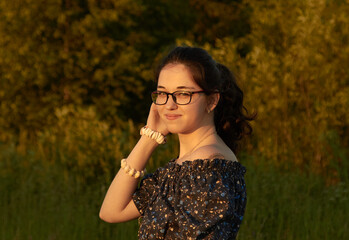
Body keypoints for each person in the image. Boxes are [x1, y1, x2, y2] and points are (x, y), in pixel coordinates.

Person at [99, 46, 255, 239]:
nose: (169, 105)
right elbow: (111, 211)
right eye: (162, 94)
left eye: (183, 94)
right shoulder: (184, 169)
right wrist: (149, 138)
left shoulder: (206, 169)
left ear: (212, 100)